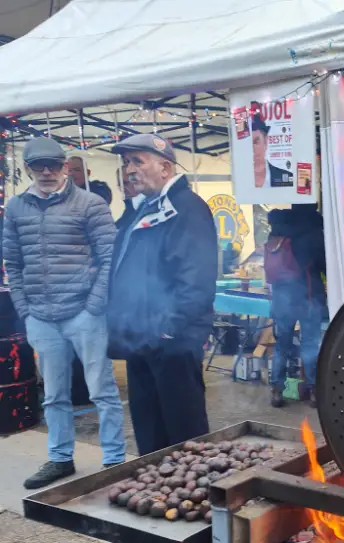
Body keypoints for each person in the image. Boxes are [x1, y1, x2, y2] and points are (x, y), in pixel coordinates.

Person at [1, 137, 126, 488]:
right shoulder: (15, 208)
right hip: (41, 315)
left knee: (102, 390)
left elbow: (108, 259)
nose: (46, 172)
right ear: (27, 168)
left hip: (84, 312)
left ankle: (114, 459)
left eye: (53, 165)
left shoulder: (90, 204)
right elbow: (13, 261)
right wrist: (26, 311)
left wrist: (94, 304)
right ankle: (60, 458)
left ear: (65, 168)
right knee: (54, 395)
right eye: (38, 165)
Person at [106, 134, 217, 455]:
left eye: (138, 161)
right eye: (127, 162)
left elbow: (197, 277)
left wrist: (170, 329)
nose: (129, 170)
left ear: (165, 167)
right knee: (149, 428)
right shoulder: (140, 208)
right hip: (140, 338)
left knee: (184, 432)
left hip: (171, 341)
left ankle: (195, 497)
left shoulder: (187, 208)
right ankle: (156, 489)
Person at [264, 204, 327, 408]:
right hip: (308, 296)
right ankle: (315, 391)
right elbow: (325, 264)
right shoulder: (313, 231)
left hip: (282, 299)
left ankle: (276, 391)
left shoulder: (278, 231)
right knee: (310, 345)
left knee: (282, 346)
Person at [250, 106, 293, 189]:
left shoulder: (287, 178)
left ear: (265, 142)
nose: (252, 150)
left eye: (256, 142)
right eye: (247, 145)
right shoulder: (240, 182)